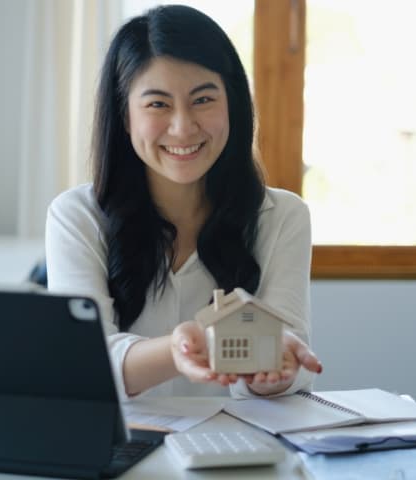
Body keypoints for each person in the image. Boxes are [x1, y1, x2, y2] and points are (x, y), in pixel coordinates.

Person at [46, 4, 322, 400]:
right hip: (124, 452)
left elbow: (289, 358)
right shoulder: (77, 216)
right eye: (158, 104)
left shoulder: (283, 217)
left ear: (233, 105)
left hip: (240, 451)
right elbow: (81, 365)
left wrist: (276, 372)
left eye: (203, 100)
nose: (182, 127)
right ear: (125, 117)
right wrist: (182, 349)